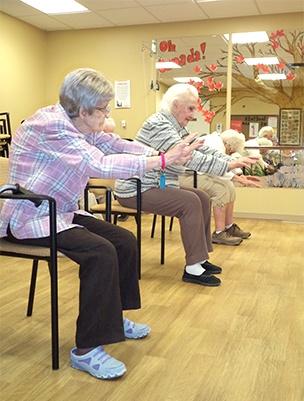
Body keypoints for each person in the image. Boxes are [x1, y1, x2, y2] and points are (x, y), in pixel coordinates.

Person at [0, 68, 195, 380]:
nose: (107, 114)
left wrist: (162, 154)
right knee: (101, 252)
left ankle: (113, 318)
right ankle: (86, 349)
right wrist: (161, 162)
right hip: (30, 217)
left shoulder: (80, 124)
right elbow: (98, 163)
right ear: (82, 110)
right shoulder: (50, 127)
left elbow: (113, 143)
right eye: (103, 109)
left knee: (124, 241)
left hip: (60, 212)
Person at [115, 84, 260, 285]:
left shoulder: (176, 126)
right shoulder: (159, 125)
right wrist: (227, 164)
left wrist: (233, 162)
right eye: (190, 108)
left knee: (202, 197)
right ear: (176, 105)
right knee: (189, 201)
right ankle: (192, 268)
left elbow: (203, 151)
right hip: (135, 189)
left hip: (157, 185)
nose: (193, 115)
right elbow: (189, 158)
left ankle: (200, 259)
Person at [180, 129, 260, 245]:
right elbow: (215, 169)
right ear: (228, 144)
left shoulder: (219, 142)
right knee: (221, 190)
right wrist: (237, 178)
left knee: (230, 188)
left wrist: (240, 175)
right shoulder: (214, 143)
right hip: (188, 176)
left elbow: (225, 161)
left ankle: (229, 226)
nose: (230, 154)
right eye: (231, 151)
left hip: (201, 174)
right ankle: (219, 232)